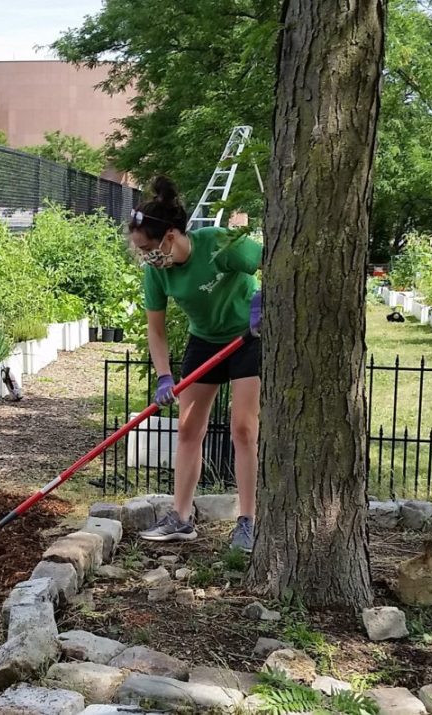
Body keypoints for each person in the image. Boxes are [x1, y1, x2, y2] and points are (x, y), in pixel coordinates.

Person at [129, 177, 262, 552]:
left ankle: (247, 521)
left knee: (243, 429)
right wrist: (164, 376)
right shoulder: (157, 273)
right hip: (204, 342)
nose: (147, 257)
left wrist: (263, 298)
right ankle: (180, 518)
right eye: (141, 251)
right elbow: (156, 331)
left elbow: (268, 259)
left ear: (170, 235)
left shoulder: (217, 242)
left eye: (149, 248)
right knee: (188, 429)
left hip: (246, 337)